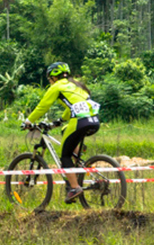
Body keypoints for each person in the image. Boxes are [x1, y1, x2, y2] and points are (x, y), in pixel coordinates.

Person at [23, 62, 100, 204]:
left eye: (49, 78)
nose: (50, 81)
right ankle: (77, 163)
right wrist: (59, 121)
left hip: (80, 121)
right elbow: (72, 106)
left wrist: (28, 121)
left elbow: (43, 106)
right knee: (66, 131)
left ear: (53, 77)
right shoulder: (77, 85)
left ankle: (75, 188)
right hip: (94, 121)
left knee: (65, 156)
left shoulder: (57, 86)